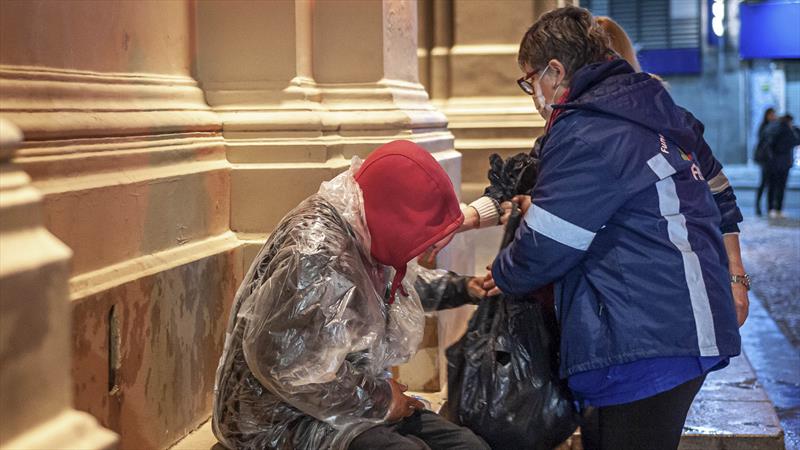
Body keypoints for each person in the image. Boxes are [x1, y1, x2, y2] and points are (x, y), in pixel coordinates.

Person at [483, 7, 748, 450]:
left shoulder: (589, 129)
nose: (533, 94)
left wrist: (503, 271)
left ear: (555, 70)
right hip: (673, 323)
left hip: (648, 336)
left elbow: (546, 245)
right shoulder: (646, 108)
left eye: (530, 81)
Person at [212, 140, 490, 450]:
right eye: (424, 237)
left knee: (467, 445)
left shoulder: (365, 227)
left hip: (350, 398)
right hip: (281, 418)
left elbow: (397, 288)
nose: (427, 251)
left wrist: (464, 288)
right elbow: (288, 367)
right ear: (397, 216)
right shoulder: (317, 253)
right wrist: (381, 398)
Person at [765, 114, 800, 218]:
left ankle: (770, 208)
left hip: (771, 162)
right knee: (780, 187)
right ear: (789, 121)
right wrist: (795, 130)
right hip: (783, 163)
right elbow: (796, 141)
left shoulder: (772, 127)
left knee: (771, 186)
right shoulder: (787, 130)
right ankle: (778, 209)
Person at [754, 107, 777, 216]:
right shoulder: (764, 127)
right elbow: (764, 142)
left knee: (772, 183)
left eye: (774, 114)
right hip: (765, 159)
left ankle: (770, 207)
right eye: (771, 115)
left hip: (772, 159)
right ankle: (758, 206)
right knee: (764, 183)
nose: (773, 117)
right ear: (767, 115)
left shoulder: (774, 126)